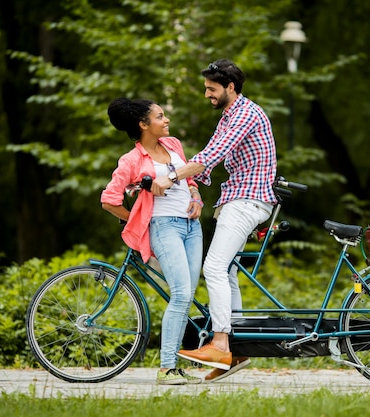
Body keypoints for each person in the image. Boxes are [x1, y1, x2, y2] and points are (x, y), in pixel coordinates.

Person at [151, 59, 278, 382]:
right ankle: (236, 350)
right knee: (229, 273)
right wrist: (189, 187)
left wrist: (169, 176)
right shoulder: (229, 115)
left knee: (214, 268)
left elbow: (209, 157)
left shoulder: (244, 114)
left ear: (230, 88)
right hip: (239, 198)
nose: (206, 94)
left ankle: (220, 342)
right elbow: (206, 164)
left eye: (212, 89)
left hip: (247, 200)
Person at [101, 97, 204, 385]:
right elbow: (109, 200)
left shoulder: (174, 145)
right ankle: (166, 368)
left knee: (185, 297)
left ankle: (177, 366)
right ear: (143, 125)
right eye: (160, 116)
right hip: (164, 227)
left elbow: (189, 180)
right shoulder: (131, 160)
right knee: (182, 294)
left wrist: (196, 198)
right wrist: (135, 219)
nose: (166, 119)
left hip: (192, 226)